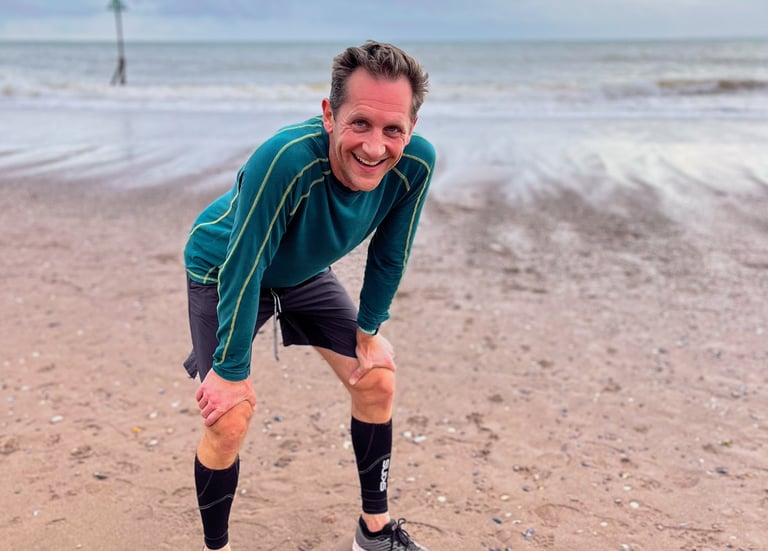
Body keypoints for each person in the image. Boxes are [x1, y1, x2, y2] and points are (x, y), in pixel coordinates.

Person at [182, 41, 434, 551]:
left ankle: (375, 530)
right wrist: (229, 374)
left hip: (302, 274)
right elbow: (244, 263)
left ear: (410, 128)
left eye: (393, 130)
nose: (373, 146)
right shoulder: (285, 160)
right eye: (359, 123)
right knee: (228, 417)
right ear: (329, 114)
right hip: (223, 268)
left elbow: (391, 254)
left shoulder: (415, 166)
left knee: (377, 380)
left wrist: (369, 331)